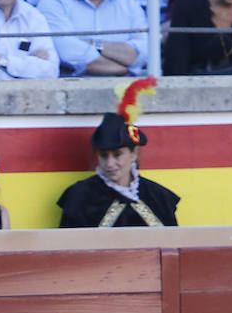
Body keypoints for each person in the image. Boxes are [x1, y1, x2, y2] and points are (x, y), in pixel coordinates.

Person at [57, 84, 181, 227]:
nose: (110, 164)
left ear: (133, 154)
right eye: (103, 156)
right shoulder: (79, 197)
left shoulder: (158, 196)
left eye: (117, 155)